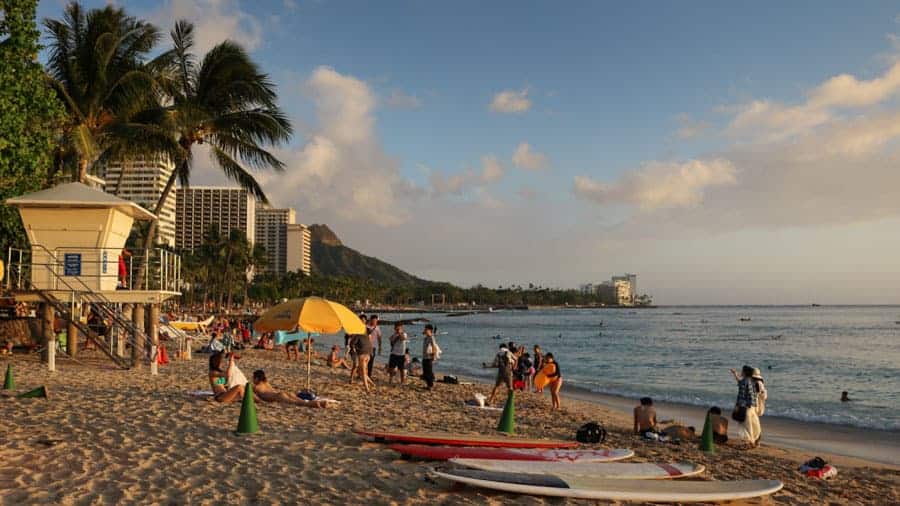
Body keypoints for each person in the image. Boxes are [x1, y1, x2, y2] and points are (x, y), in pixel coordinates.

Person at [251, 370, 329, 407]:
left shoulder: (255, 387)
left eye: (253, 378)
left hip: (277, 397)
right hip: (280, 393)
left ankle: (315, 404)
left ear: (257, 378)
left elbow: (252, 396)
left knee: (298, 403)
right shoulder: (266, 383)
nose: (252, 380)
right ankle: (322, 403)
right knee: (301, 401)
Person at [730, 365, 761, 447]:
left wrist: (737, 406)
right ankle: (754, 441)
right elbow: (740, 383)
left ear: (745, 372)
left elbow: (741, 395)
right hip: (752, 407)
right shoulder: (752, 381)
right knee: (754, 425)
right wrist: (735, 374)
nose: (741, 372)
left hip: (746, 407)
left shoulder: (744, 381)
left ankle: (749, 442)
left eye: (742, 371)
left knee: (745, 425)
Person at [350, 319, 376, 393]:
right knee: (362, 371)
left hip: (362, 354)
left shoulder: (358, 335)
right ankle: (372, 384)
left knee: (363, 372)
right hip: (368, 353)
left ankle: (367, 389)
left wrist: (354, 350)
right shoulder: (367, 334)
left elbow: (352, 344)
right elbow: (371, 330)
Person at [422, 324, 441, 390]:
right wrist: (425, 332)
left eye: (426, 329)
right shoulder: (426, 337)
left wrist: (434, 356)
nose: (424, 330)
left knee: (428, 372)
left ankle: (431, 386)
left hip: (429, 357)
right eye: (425, 329)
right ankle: (428, 385)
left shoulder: (431, 337)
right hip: (425, 357)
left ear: (429, 330)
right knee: (425, 372)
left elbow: (434, 346)